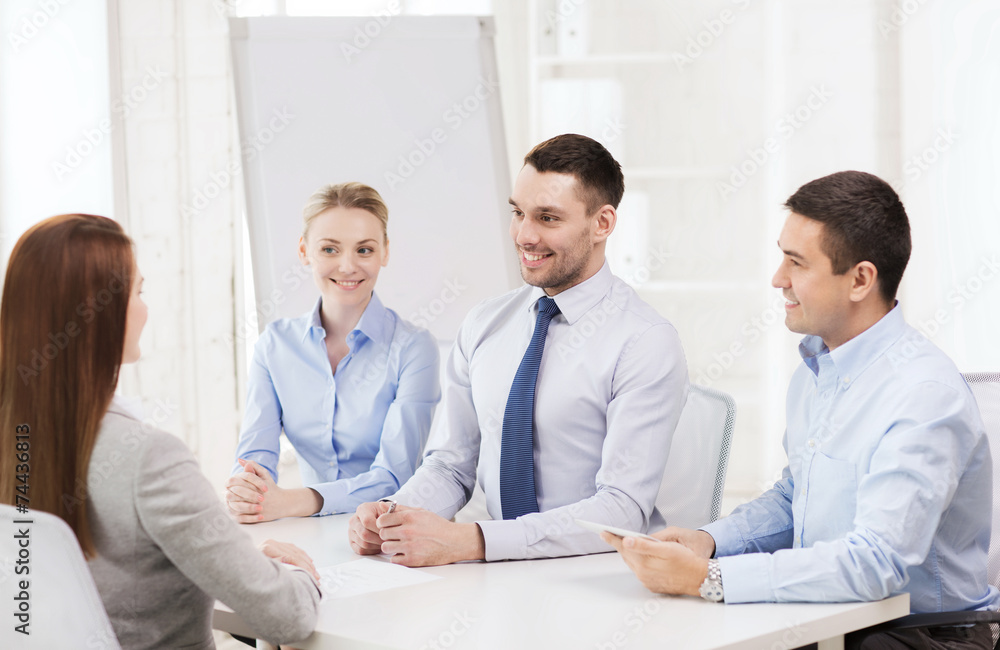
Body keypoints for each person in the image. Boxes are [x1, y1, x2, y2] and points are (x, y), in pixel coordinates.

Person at [603, 171, 999, 649]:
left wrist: (710, 578)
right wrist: (709, 543)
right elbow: (798, 495)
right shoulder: (818, 367)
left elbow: (875, 564)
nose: (778, 279)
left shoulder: (924, 395)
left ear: (860, 279)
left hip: (921, 636)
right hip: (837, 618)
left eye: (796, 263)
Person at [348, 133, 689, 566]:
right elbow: (451, 465)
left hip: (597, 575)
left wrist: (471, 542)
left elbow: (622, 509)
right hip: (496, 574)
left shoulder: (644, 341)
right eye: (518, 213)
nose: (525, 235)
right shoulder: (486, 323)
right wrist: (395, 514)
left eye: (548, 218)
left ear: (602, 223)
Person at [0, 214, 321, 648]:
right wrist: (298, 573)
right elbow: (288, 618)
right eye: (139, 291)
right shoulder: (147, 458)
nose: (146, 308)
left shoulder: (14, 440)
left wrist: (238, 565)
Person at [225, 182, 440, 522]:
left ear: (385, 252)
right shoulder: (275, 345)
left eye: (364, 250)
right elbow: (254, 457)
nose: (347, 266)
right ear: (303, 251)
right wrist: (246, 491)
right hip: (311, 532)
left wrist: (295, 502)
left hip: (393, 531)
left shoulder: (414, 348)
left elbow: (393, 476)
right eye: (329, 250)